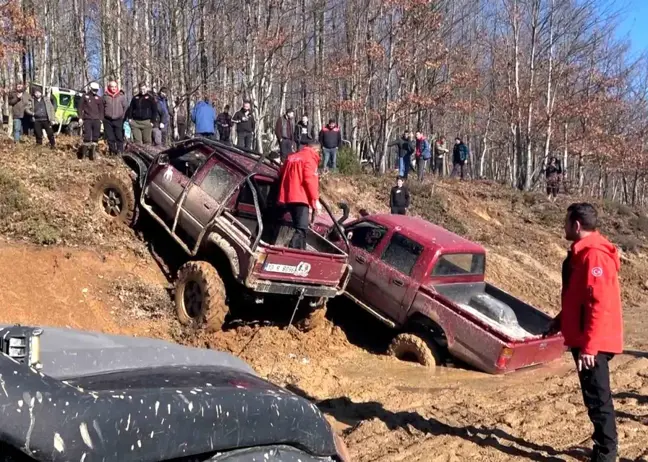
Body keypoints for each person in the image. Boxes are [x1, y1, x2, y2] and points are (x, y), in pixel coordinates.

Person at [545, 203, 622, 462]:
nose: (564, 227)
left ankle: (606, 455)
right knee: (594, 398)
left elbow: (598, 303)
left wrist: (590, 347)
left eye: (566, 222)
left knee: (599, 399)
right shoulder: (582, 254)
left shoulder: (594, 257)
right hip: (588, 337)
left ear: (576, 225)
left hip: (594, 342)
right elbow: (579, 298)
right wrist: (560, 320)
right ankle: (603, 449)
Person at [277, 141, 322, 250]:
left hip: (286, 197)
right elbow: (310, 180)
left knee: (282, 223)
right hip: (300, 198)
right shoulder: (310, 159)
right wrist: (315, 200)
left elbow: (280, 173)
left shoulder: (291, 157)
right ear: (316, 150)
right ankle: (295, 253)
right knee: (301, 229)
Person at [103, 80, 128, 155]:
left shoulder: (121, 97)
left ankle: (120, 152)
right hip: (107, 120)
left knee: (119, 137)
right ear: (109, 87)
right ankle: (112, 152)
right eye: (112, 87)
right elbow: (101, 107)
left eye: (115, 87)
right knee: (110, 137)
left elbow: (125, 107)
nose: (113, 88)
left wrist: (123, 117)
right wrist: (102, 117)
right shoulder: (105, 97)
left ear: (117, 87)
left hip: (118, 119)